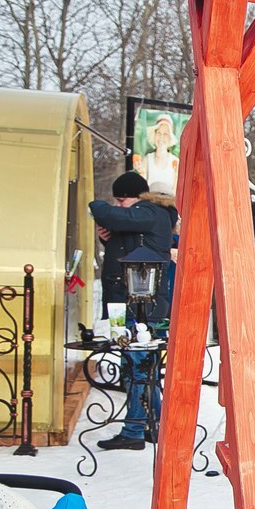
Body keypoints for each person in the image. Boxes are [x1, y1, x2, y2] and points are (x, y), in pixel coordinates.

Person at [90, 171, 177, 450]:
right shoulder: (147, 215)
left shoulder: (148, 211)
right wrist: (108, 239)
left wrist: (100, 208)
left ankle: (134, 430)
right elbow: (129, 248)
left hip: (141, 307)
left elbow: (113, 217)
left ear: (134, 198)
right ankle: (157, 424)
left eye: (120, 200)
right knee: (142, 368)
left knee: (137, 367)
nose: (117, 206)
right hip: (135, 304)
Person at [132, 114, 180, 196]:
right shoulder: (147, 159)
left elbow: (176, 192)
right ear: (154, 135)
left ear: (170, 138)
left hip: (168, 204)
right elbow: (143, 189)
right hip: (150, 203)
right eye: (159, 133)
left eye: (165, 134)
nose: (161, 137)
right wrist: (140, 172)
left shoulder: (175, 161)